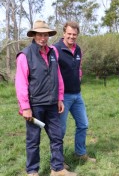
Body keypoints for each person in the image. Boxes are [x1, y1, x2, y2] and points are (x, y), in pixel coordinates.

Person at [15, 20, 77, 176]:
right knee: (33, 140)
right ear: (34, 35)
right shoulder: (25, 55)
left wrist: (60, 98)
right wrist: (25, 107)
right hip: (35, 106)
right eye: (40, 34)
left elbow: (58, 76)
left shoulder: (53, 52)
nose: (43, 38)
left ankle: (57, 169)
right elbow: (20, 83)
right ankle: (32, 171)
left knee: (57, 137)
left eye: (45, 35)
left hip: (52, 104)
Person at [54, 21, 96, 162]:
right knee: (61, 130)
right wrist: (57, 97)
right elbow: (52, 73)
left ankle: (80, 153)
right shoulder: (55, 49)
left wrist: (78, 77)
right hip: (62, 97)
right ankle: (59, 162)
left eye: (75, 34)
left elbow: (78, 68)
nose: (72, 37)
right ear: (64, 33)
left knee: (83, 124)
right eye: (69, 34)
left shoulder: (78, 49)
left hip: (77, 94)